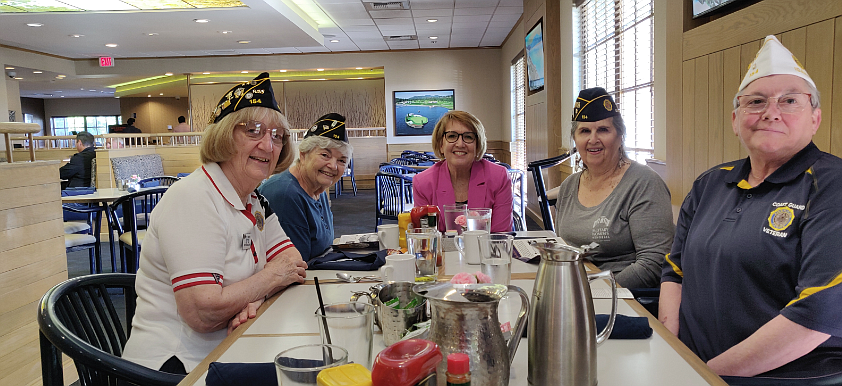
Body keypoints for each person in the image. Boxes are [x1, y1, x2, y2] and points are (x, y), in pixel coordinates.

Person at [660, 35, 842, 379]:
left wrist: (701, 375)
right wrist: (672, 354)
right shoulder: (709, 183)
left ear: (815, 118)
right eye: (755, 101)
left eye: (790, 101)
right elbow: (675, 271)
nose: (771, 113)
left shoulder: (832, 186)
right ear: (735, 119)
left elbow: (816, 313)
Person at [122, 72, 308, 374]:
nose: (268, 145)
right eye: (253, 131)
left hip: (235, 347)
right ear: (223, 136)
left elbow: (293, 262)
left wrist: (254, 297)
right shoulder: (193, 198)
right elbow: (203, 311)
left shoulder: (254, 200)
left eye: (277, 136)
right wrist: (271, 278)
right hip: (178, 368)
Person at [554, 88, 673, 289]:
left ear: (620, 136)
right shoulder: (568, 187)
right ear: (575, 139)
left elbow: (654, 264)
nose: (593, 139)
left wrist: (595, 290)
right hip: (577, 290)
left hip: (624, 299)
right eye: (584, 131)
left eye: (603, 130)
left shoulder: (644, 183)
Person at [259, 113, 353, 261]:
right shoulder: (284, 194)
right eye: (325, 155)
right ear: (303, 155)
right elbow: (292, 266)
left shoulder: (318, 188)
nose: (333, 166)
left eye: (341, 160)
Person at [412, 110, 513, 233]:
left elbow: (501, 235)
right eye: (452, 136)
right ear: (441, 145)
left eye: (468, 137)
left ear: (477, 145)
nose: (460, 144)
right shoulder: (423, 183)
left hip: (487, 251)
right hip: (443, 252)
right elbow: (426, 238)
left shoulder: (499, 177)